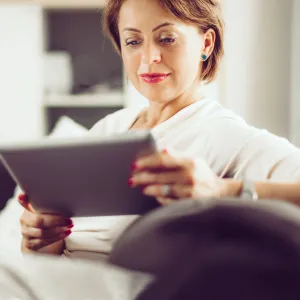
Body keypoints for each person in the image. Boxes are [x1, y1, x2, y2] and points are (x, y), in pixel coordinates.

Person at [19, 0, 300, 259]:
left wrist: (222, 190)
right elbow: (48, 255)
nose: (148, 56)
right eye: (133, 41)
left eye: (167, 38)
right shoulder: (109, 128)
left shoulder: (230, 137)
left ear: (206, 43)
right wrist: (40, 237)